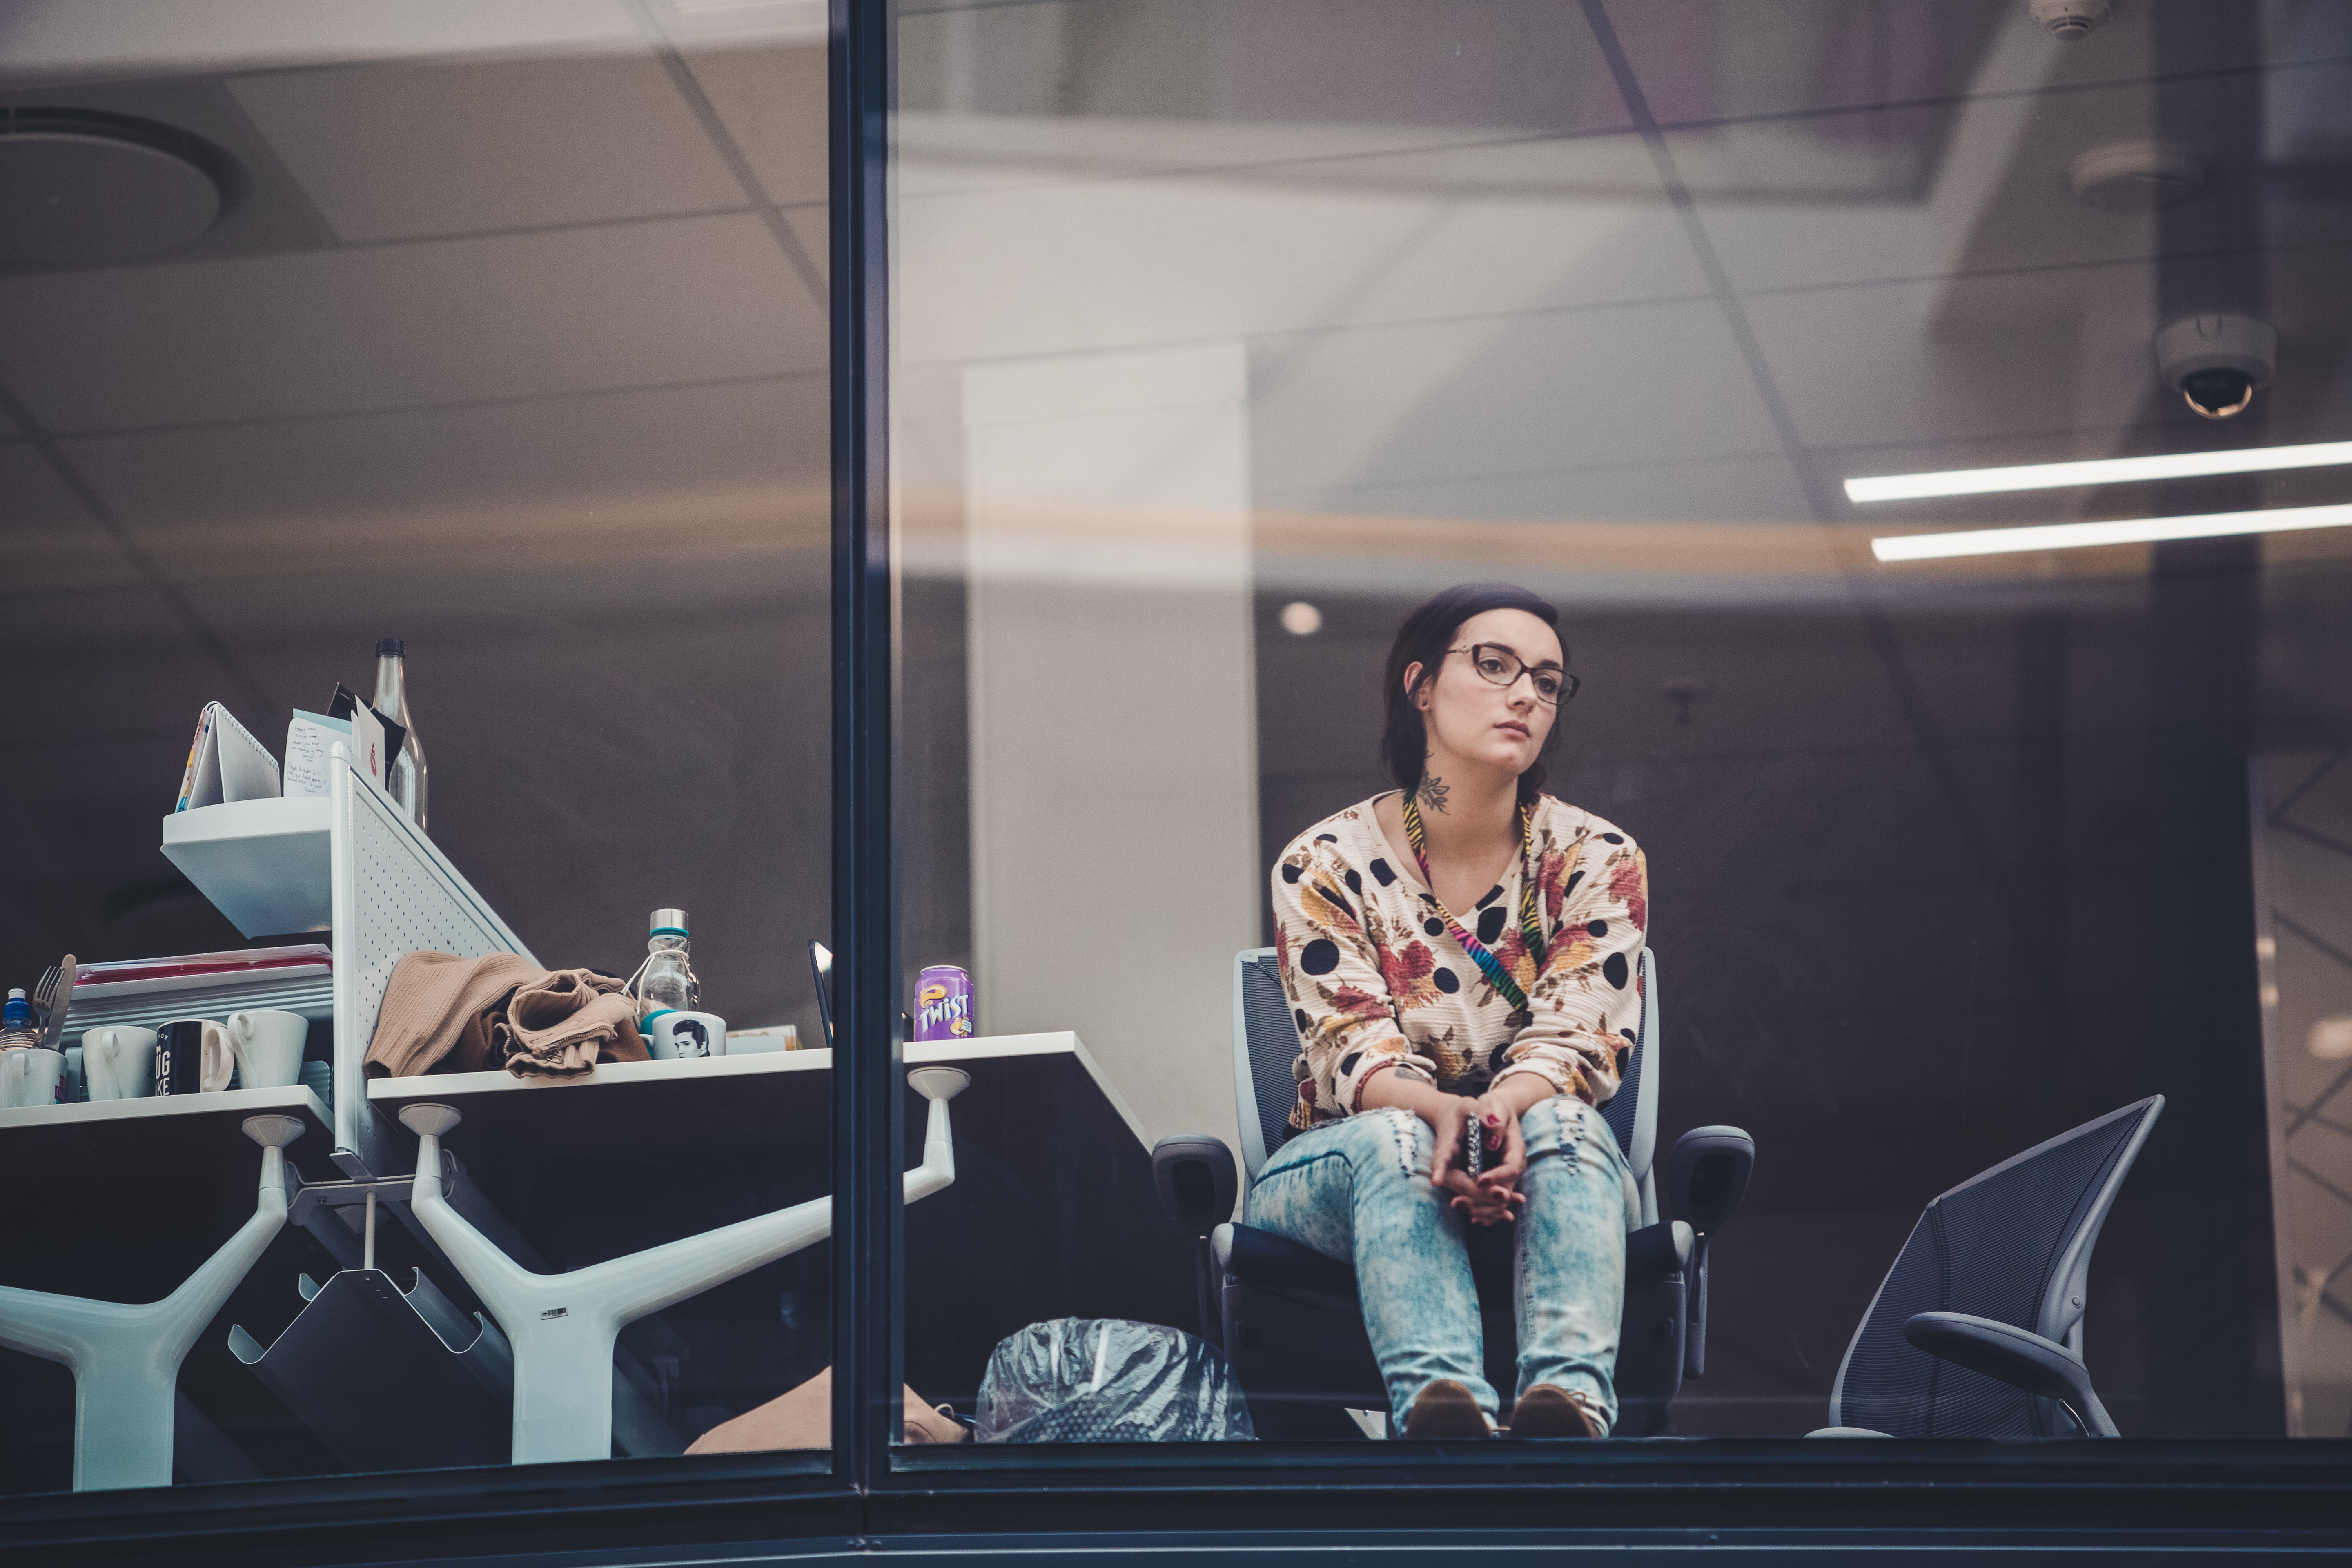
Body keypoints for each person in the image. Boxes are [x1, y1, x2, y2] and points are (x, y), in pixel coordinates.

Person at [1253, 583, 1646, 1439]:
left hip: (1540, 1155)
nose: (1525, 696)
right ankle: (1446, 1419)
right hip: (1349, 1163)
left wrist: (1496, 1116)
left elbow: (1580, 1038)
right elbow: (1353, 1054)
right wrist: (1440, 1116)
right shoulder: (1325, 861)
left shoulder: (1595, 857)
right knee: (1398, 1138)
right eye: (1496, 665)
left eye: (1547, 682)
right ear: (1421, 685)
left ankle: (1568, 1413)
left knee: (1571, 1125)